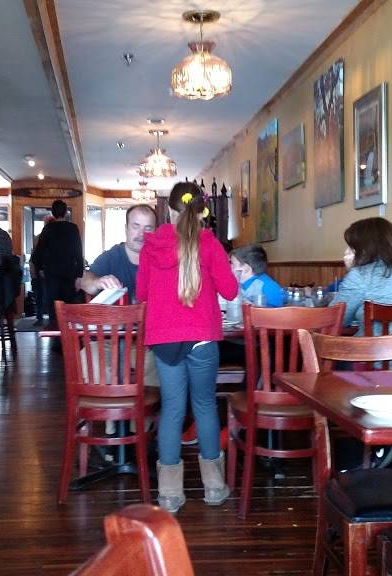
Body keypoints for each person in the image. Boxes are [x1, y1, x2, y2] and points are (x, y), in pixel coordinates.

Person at [137, 182, 238, 513]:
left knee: (172, 409)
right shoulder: (209, 243)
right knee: (205, 405)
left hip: (164, 339)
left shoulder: (152, 245)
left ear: (169, 209)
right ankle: (214, 486)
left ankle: (169, 494)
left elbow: (142, 293)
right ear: (201, 209)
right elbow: (230, 291)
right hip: (202, 337)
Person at [77, 204, 159, 390]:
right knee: (91, 361)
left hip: (145, 341)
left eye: (148, 228)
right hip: (106, 339)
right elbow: (85, 281)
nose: (141, 234)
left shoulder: (160, 260)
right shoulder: (111, 257)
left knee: (162, 360)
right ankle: (108, 408)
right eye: (136, 226)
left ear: (155, 232)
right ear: (126, 228)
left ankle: (143, 409)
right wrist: (97, 281)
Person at [330, 217, 392, 328]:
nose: (346, 251)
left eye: (351, 247)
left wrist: (352, 270)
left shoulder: (360, 276)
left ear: (364, 248)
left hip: (373, 340)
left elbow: (332, 320)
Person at [30, 200, 83, 330]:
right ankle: (68, 335)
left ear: (53, 213)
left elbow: (38, 253)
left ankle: (55, 335)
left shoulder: (48, 229)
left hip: (51, 274)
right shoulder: (73, 228)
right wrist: (79, 275)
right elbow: (78, 252)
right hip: (69, 273)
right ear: (65, 212)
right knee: (68, 306)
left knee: (53, 307)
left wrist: (40, 269)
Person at [229, 244, 286, 308]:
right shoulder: (237, 283)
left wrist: (254, 308)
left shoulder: (268, 286)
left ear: (247, 268)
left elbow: (277, 311)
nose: (229, 267)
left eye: (232, 264)